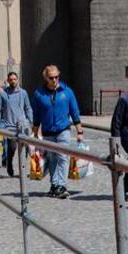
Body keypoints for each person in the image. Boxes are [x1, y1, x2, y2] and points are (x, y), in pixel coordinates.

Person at [31, 64, 83, 199]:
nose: (54, 80)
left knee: (63, 157)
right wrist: (35, 132)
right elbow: (36, 114)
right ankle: (55, 185)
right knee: (52, 158)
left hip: (63, 130)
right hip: (48, 131)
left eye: (57, 77)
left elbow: (74, 111)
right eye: (51, 78)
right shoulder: (39, 94)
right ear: (46, 78)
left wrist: (79, 131)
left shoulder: (67, 92)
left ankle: (62, 185)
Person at [0, 71, 32, 178]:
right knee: (12, 148)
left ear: (18, 79)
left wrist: (31, 121)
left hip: (23, 126)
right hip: (9, 127)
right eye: (11, 80)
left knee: (26, 148)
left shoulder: (23, 93)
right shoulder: (3, 94)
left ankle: (23, 169)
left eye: (14, 79)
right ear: (8, 81)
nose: (13, 81)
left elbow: (28, 107)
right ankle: (9, 163)